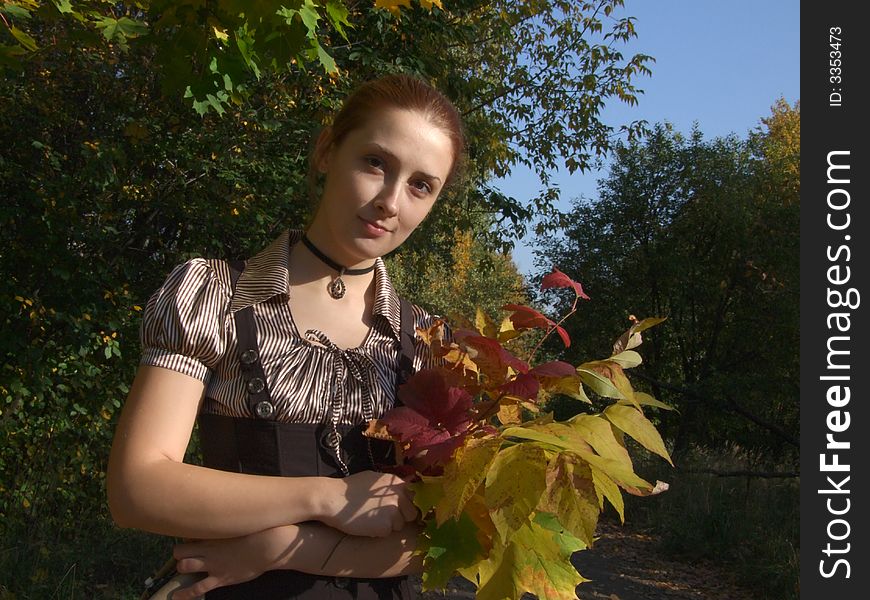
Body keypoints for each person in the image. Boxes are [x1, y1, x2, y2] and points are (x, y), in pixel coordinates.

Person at [107, 74, 465, 600]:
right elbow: (136, 488)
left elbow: (442, 535)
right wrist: (329, 498)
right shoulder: (214, 296)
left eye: (420, 185)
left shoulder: (431, 343)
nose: (391, 201)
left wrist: (282, 548)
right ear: (327, 151)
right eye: (375, 162)